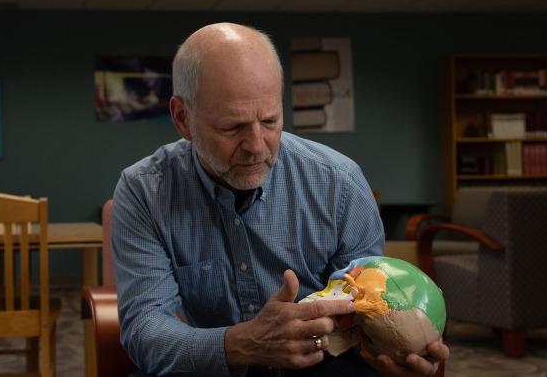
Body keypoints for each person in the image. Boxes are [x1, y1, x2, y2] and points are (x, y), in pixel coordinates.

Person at [111, 22, 449, 377]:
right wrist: (241, 344)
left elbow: (369, 308)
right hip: (214, 367)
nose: (257, 146)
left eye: (270, 120)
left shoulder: (340, 183)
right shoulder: (144, 191)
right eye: (232, 127)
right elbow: (145, 329)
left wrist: (395, 351)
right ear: (183, 118)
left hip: (322, 364)